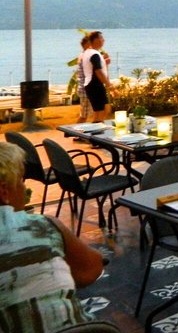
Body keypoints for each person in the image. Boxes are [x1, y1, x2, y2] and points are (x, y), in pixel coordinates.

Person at [0, 142, 104, 331]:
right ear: (4, 191)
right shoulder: (42, 226)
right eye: (21, 180)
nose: (24, 187)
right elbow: (91, 270)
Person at [81, 31, 112, 122]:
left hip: (93, 84)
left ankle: (96, 127)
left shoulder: (89, 52)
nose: (103, 40)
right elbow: (98, 71)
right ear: (95, 40)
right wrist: (109, 85)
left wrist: (104, 62)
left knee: (102, 111)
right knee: (101, 112)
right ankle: (95, 129)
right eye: (101, 38)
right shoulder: (94, 54)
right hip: (95, 84)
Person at [75, 36, 91, 123]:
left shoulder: (83, 55)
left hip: (85, 88)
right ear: (85, 44)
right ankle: (76, 130)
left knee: (97, 113)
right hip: (86, 89)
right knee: (84, 115)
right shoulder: (85, 56)